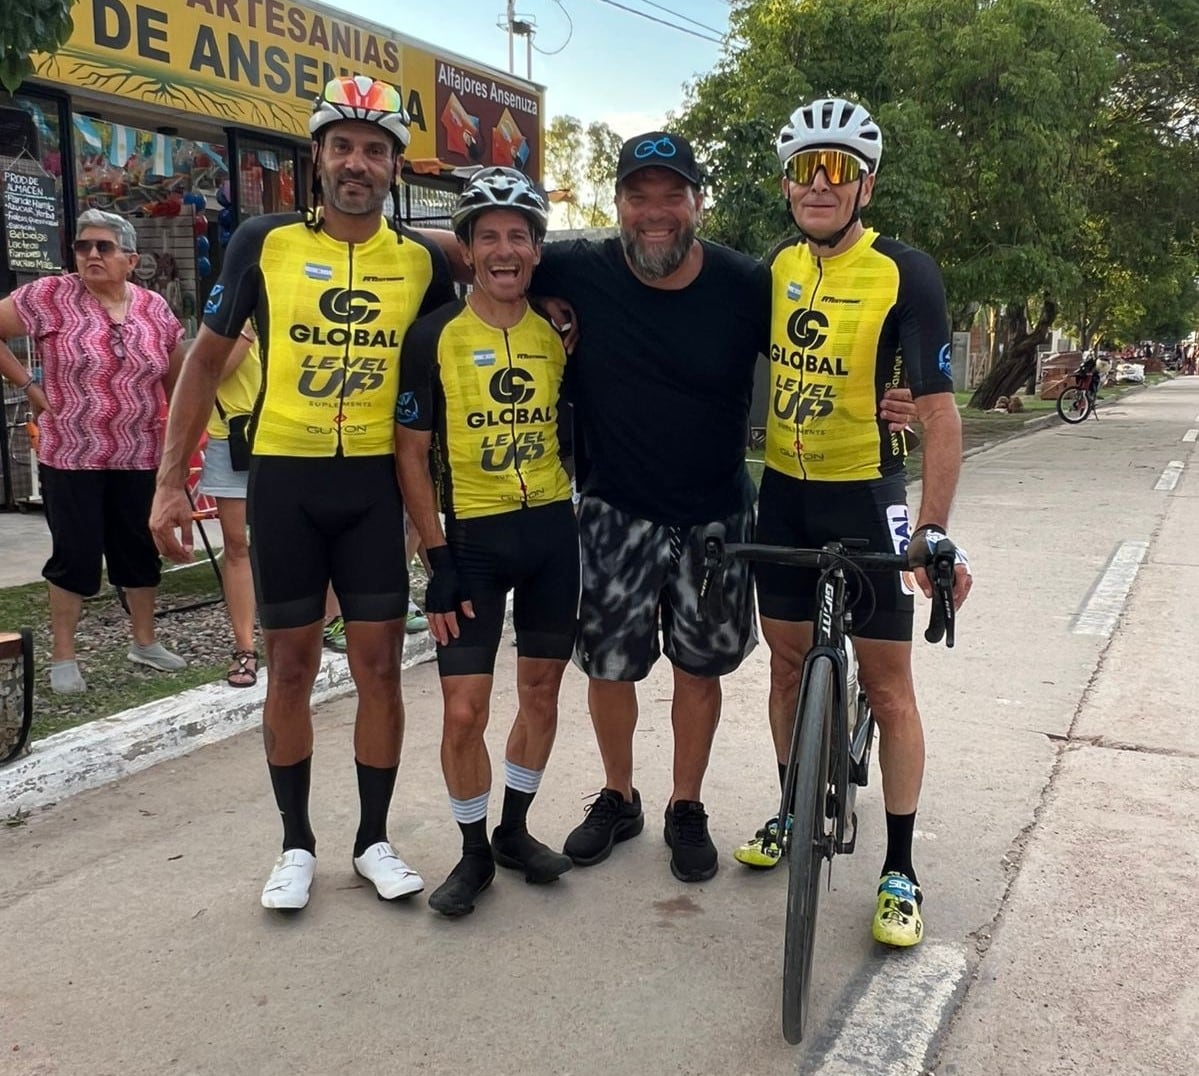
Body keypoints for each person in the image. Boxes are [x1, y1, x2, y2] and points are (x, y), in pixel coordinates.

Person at [150, 75, 455, 911]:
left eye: (376, 150)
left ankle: (373, 839)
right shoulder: (263, 240)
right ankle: (294, 845)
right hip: (282, 477)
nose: (359, 163)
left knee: (380, 669)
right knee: (287, 665)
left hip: (369, 484)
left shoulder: (424, 261)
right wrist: (169, 482)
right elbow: (204, 361)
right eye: (344, 146)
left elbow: (494, 293)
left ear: (396, 166)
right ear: (316, 156)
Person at [735, 98, 971, 949]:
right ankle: (793, 806)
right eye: (805, 167)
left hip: (867, 494)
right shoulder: (773, 269)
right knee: (787, 667)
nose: (819, 183)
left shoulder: (906, 270)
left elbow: (940, 414)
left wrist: (934, 531)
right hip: (786, 494)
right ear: (787, 182)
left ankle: (899, 866)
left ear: (864, 184)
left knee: (887, 686)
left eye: (837, 169)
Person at [528, 133, 770, 884]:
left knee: (700, 670)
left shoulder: (745, 283)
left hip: (714, 518)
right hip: (612, 511)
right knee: (610, 668)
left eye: (672, 195)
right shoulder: (578, 265)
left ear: (698, 201)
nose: (655, 212)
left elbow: (823, 345)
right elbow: (477, 250)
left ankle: (685, 804)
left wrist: (894, 394)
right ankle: (619, 795)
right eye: (639, 196)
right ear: (618, 205)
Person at [396, 167, 577, 916]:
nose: (505, 250)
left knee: (539, 693)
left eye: (519, 236)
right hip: (470, 542)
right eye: (488, 236)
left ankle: (512, 830)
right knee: (464, 710)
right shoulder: (433, 335)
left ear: (536, 250)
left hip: (551, 534)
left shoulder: (559, 331)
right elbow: (409, 453)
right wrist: (434, 562)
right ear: (466, 250)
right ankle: (471, 854)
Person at [0, 208, 187, 694]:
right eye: (83, 247)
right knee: (75, 553)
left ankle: (144, 641)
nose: (91, 255)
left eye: (104, 247)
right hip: (71, 453)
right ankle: (65, 656)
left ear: (131, 259)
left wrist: (177, 453)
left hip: (139, 451)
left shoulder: (154, 309)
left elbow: (180, 381)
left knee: (138, 550)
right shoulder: (50, 295)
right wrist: (28, 386)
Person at [196, 322, 261, 687]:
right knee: (237, 545)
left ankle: (327, 624)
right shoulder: (232, 309)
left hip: (291, 434)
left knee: (305, 537)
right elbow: (210, 370)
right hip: (234, 433)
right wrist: (249, 330)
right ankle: (244, 648)